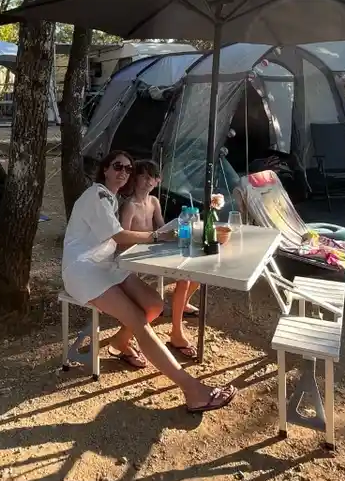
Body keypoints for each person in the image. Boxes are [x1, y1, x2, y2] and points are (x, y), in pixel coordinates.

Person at [62, 150, 236, 413]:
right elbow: (119, 236)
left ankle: (120, 344)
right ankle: (193, 391)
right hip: (83, 270)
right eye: (118, 166)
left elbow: (114, 241)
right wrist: (158, 237)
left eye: (129, 169)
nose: (123, 172)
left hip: (106, 264)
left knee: (154, 304)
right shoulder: (96, 195)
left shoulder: (111, 199)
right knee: (140, 322)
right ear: (105, 169)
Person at [120, 161, 200, 360]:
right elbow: (122, 239)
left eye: (152, 177)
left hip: (154, 250)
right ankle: (177, 332)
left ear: (157, 181)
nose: (148, 181)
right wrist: (156, 239)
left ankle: (182, 306)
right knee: (184, 278)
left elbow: (162, 227)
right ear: (135, 178)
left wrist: (172, 232)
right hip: (136, 256)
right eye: (144, 176)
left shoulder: (154, 201)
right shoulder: (130, 205)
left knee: (195, 273)